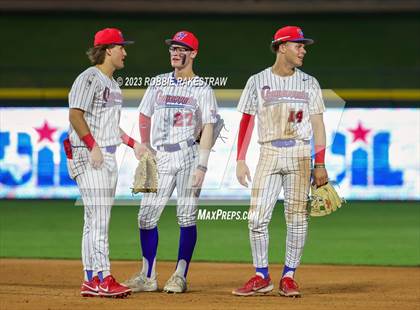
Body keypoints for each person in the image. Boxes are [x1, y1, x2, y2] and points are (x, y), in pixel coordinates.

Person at [232, 26, 329, 297]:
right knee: (256, 218)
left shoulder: (309, 82)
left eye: (303, 45)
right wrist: (240, 159)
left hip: (299, 154)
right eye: (298, 45)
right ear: (282, 47)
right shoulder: (257, 80)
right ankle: (261, 275)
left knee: (297, 218)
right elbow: (246, 121)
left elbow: (319, 125)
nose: (303, 49)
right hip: (269, 153)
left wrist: (319, 163)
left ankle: (289, 276)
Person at [123, 30, 218, 293]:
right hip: (161, 156)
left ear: (194, 53)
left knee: (186, 216)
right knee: (145, 217)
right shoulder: (158, 82)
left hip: (188, 153)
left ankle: (180, 275)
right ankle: (148, 275)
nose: (176, 53)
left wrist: (202, 165)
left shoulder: (202, 88)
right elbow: (144, 114)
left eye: (182, 49)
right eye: (173, 48)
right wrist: (146, 148)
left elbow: (209, 126)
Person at [65, 28, 142, 298]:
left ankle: (91, 278)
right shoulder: (89, 78)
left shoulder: (113, 85)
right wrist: (92, 145)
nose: (125, 52)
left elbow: (113, 127)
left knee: (93, 220)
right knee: (99, 220)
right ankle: (103, 278)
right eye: (121, 47)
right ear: (108, 49)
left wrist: (134, 144)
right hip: (89, 156)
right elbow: (75, 115)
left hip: (106, 156)